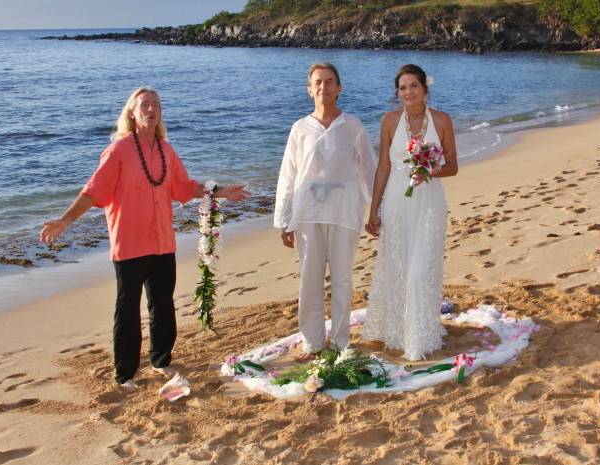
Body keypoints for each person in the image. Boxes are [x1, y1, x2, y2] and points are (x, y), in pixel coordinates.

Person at [39, 87, 249, 390]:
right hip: (129, 244)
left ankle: (160, 360)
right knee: (127, 309)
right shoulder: (119, 151)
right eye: (145, 105)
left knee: (162, 306)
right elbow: (93, 192)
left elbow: (183, 187)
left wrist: (221, 191)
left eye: (156, 106)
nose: (151, 109)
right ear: (132, 113)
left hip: (163, 242)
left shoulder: (167, 151)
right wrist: (65, 220)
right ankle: (125, 372)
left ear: (160, 114)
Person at [274, 63, 377, 357]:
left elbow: (368, 168)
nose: (324, 87)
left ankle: (342, 339)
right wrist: (284, 219)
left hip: (345, 212)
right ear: (309, 90)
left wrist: (375, 210)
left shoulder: (353, 126)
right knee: (310, 278)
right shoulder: (299, 129)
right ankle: (313, 340)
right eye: (318, 83)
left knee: (343, 277)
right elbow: (288, 175)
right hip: (307, 213)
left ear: (339, 88)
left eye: (329, 82)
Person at [362, 64, 458, 361]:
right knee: (397, 267)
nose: (408, 92)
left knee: (420, 271)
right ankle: (398, 332)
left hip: (429, 201)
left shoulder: (442, 120)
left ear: (425, 88)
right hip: (395, 201)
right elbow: (383, 167)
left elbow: (453, 166)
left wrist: (429, 170)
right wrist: (373, 209)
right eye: (402, 88)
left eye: (413, 86)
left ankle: (420, 336)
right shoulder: (389, 120)